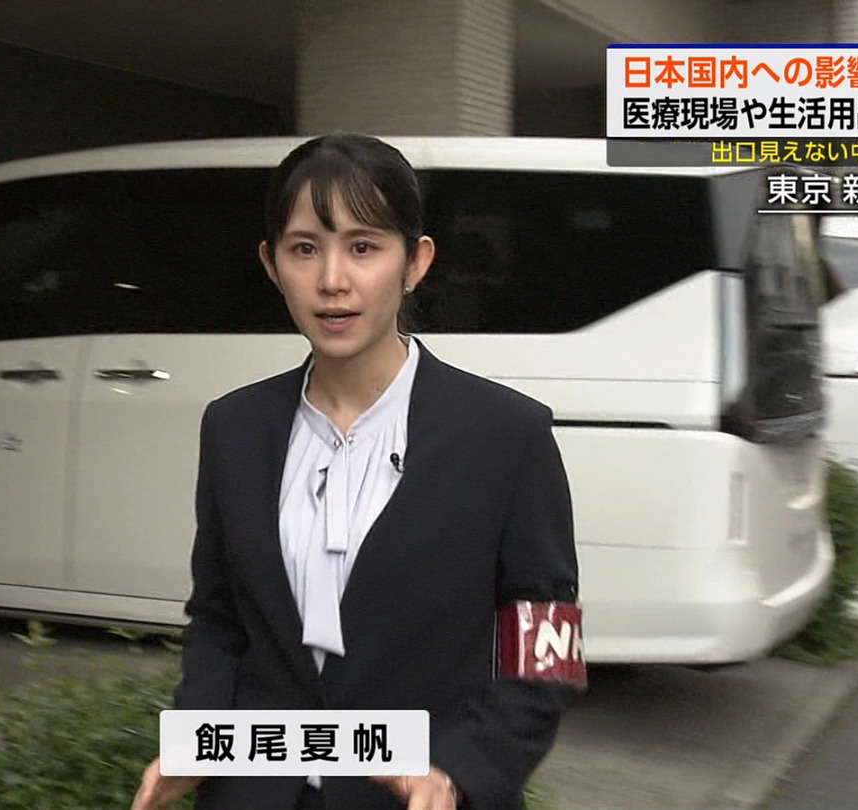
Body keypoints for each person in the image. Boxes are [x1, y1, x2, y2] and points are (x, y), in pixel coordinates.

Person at [132, 133, 583, 810]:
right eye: (304, 249)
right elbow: (219, 619)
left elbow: (545, 645)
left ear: (415, 261)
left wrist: (460, 773)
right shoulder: (235, 428)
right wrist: (197, 740)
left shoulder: (506, 434)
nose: (332, 280)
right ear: (271, 263)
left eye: (364, 247)